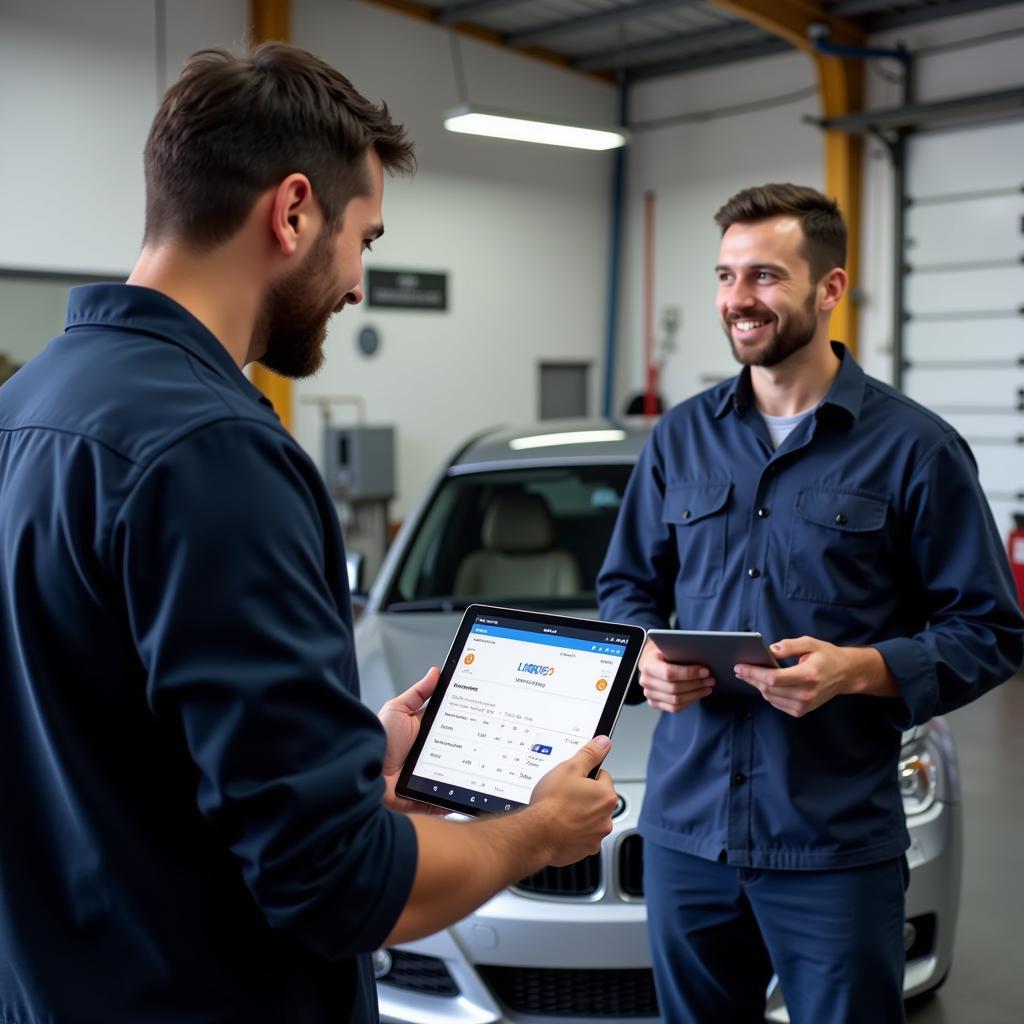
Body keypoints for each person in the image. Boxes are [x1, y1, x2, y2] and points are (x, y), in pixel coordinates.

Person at [0, 43, 617, 1024]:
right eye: (364, 239)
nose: (360, 283)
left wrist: (351, 749)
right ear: (293, 212)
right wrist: (538, 831)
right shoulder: (212, 451)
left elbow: (99, 731)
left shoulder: (26, 406)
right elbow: (342, 882)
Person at [597, 183, 1024, 1024]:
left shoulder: (916, 449)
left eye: (763, 276)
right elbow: (625, 588)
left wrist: (864, 669)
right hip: (687, 837)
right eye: (725, 276)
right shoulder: (679, 438)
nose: (736, 301)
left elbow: (992, 630)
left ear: (829, 288)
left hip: (833, 842)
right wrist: (647, 654)